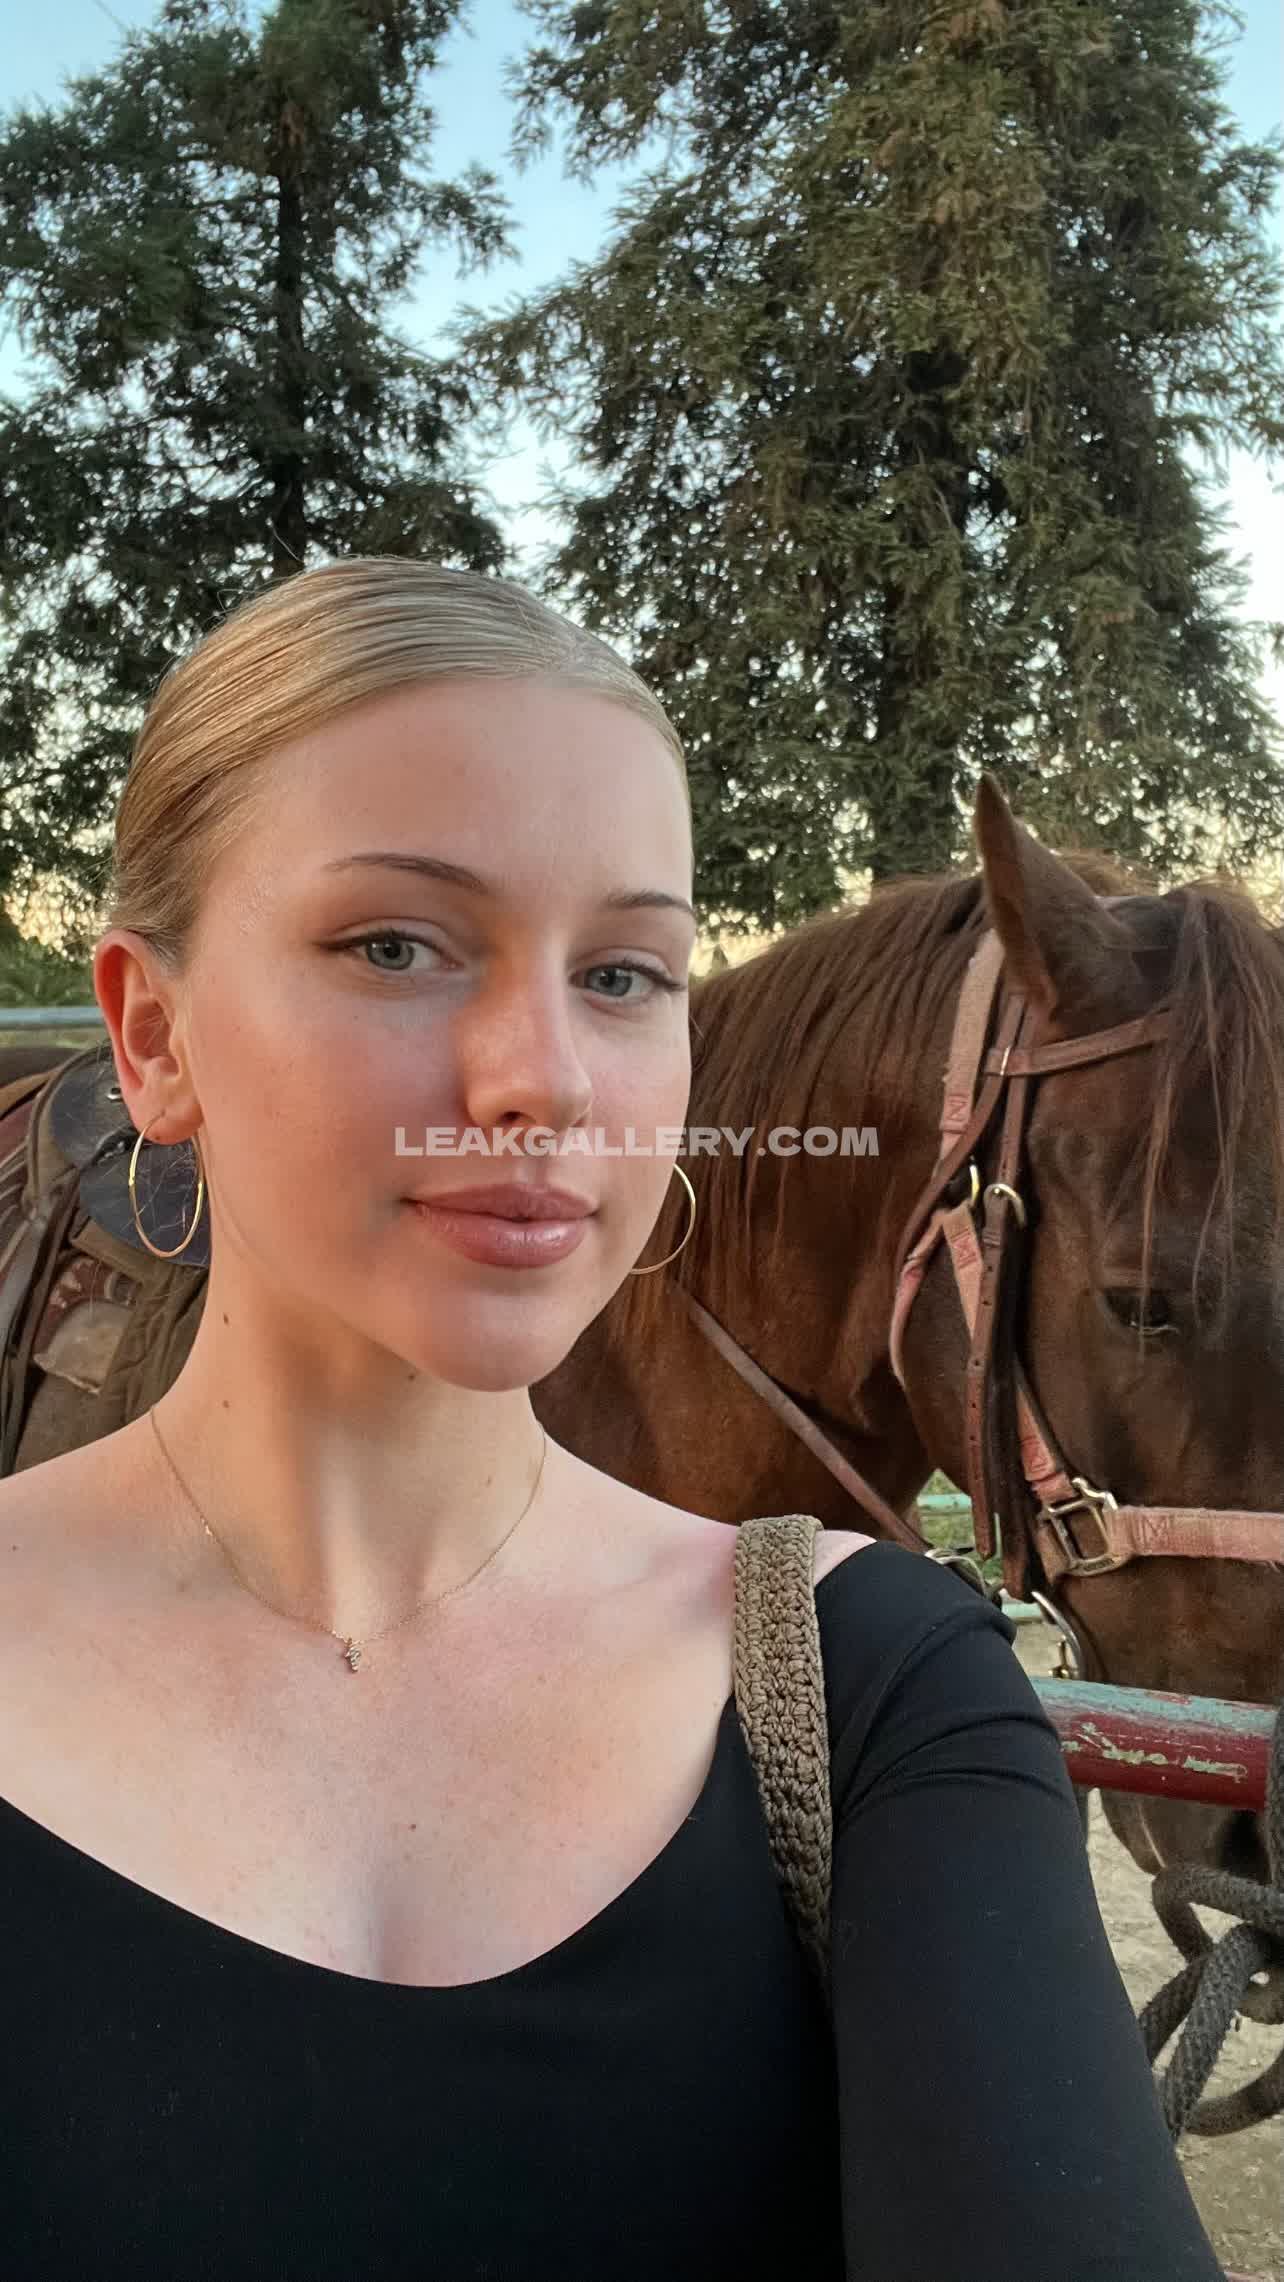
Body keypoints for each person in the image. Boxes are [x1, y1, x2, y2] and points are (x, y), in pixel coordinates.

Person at [0, 559, 1226, 2281]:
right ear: (151, 1033)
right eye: (396, 944)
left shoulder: (879, 1696)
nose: (550, 1077)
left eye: (630, 973)